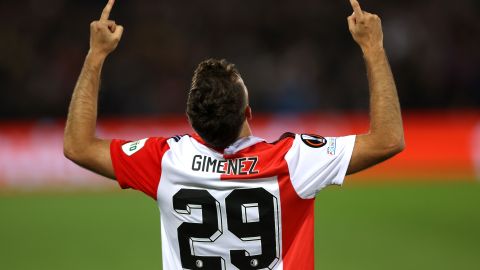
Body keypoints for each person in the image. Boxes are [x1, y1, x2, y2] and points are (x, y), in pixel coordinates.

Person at [64, 0, 404, 269]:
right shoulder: (292, 160)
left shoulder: (166, 161)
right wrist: (372, 47)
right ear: (248, 113)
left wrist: (96, 54)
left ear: (191, 120)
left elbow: (78, 147)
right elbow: (388, 140)